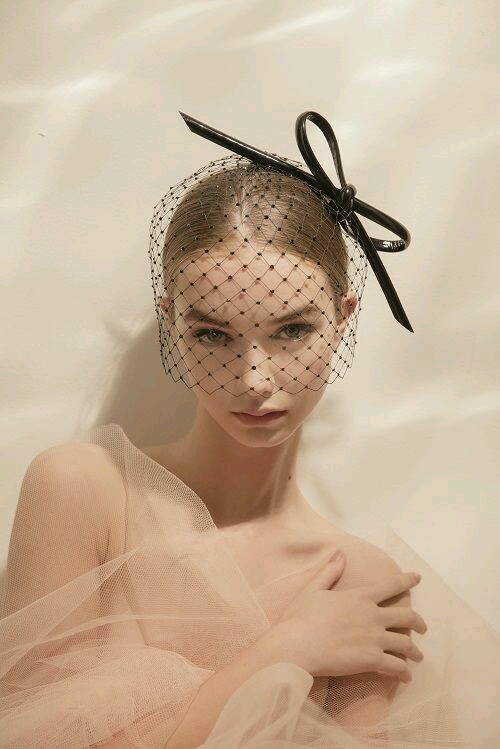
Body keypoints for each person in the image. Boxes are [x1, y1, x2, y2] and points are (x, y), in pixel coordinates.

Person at [1, 159, 499, 749]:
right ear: (171, 322)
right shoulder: (83, 490)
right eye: (213, 334)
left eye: (292, 330)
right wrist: (286, 651)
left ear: (342, 318)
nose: (254, 380)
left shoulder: (359, 585)